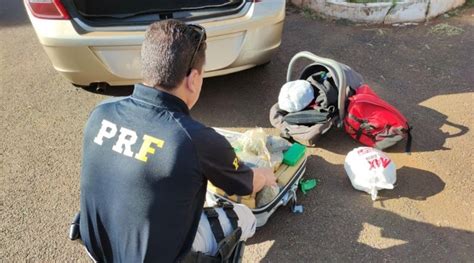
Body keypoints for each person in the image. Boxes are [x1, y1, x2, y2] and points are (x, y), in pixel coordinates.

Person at [79, 19, 277, 262]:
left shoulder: (101, 113)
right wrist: (266, 175)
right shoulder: (196, 140)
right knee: (245, 216)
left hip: (98, 250)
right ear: (193, 79)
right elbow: (245, 184)